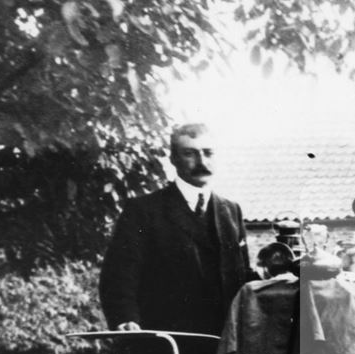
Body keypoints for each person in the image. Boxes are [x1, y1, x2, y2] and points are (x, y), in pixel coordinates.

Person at [99, 123, 254, 336]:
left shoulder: (231, 211)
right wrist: (125, 318)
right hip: (166, 340)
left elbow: (243, 277)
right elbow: (119, 275)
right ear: (173, 159)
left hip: (224, 342)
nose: (202, 162)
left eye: (208, 153)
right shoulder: (143, 211)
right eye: (190, 154)